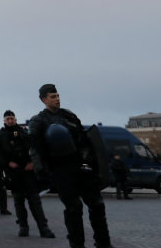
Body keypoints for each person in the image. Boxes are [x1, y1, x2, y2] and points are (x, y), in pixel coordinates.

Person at [29, 84, 112, 248]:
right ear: (44, 99)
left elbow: (84, 140)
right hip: (61, 170)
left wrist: (87, 159)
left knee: (97, 204)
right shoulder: (38, 121)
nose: (57, 99)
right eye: (53, 97)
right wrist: (42, 172)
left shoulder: (69, 116)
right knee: (74, 208)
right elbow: (34, 148)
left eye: (58, 95)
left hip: (81, 166)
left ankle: (103, 243)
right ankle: (77, 245)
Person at [0, 110, 56, 238]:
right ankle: (23, 227)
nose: (10, 121)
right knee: (18, 202)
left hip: (28, 171)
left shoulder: (25, 132)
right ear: (4, 121)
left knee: (35, 201)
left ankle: (44, 228)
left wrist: (32, 162)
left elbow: (34, 148)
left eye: (12, 118)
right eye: (8, 119)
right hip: (13, 172)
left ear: (15, 119)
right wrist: (7, 163)